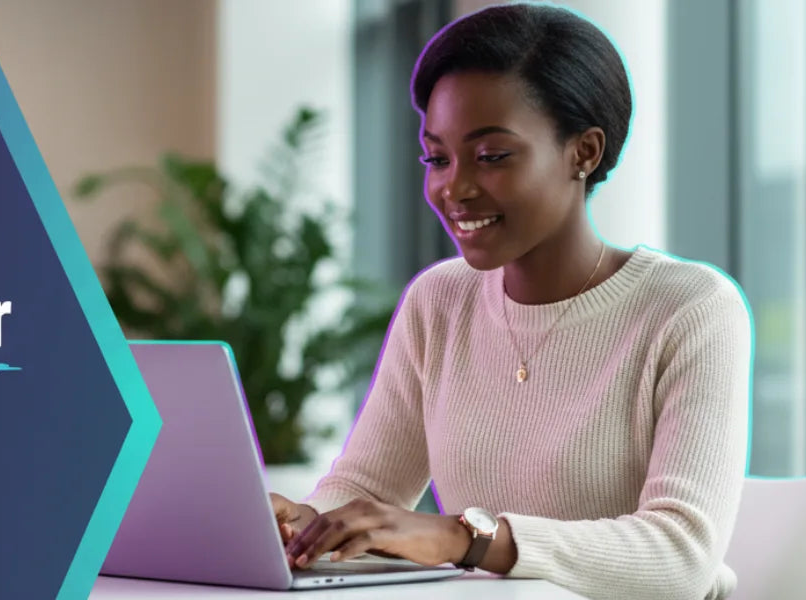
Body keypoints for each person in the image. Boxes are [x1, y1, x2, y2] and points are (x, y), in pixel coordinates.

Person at [268, 4, 752, 600]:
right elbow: (368, 486)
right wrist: (295, 525)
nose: (455, 188)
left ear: (585, 152)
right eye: (437, 158)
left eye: (492, 156)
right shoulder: (439, 300)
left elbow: (682, 556)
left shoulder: (690, 309)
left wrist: (465, 539)